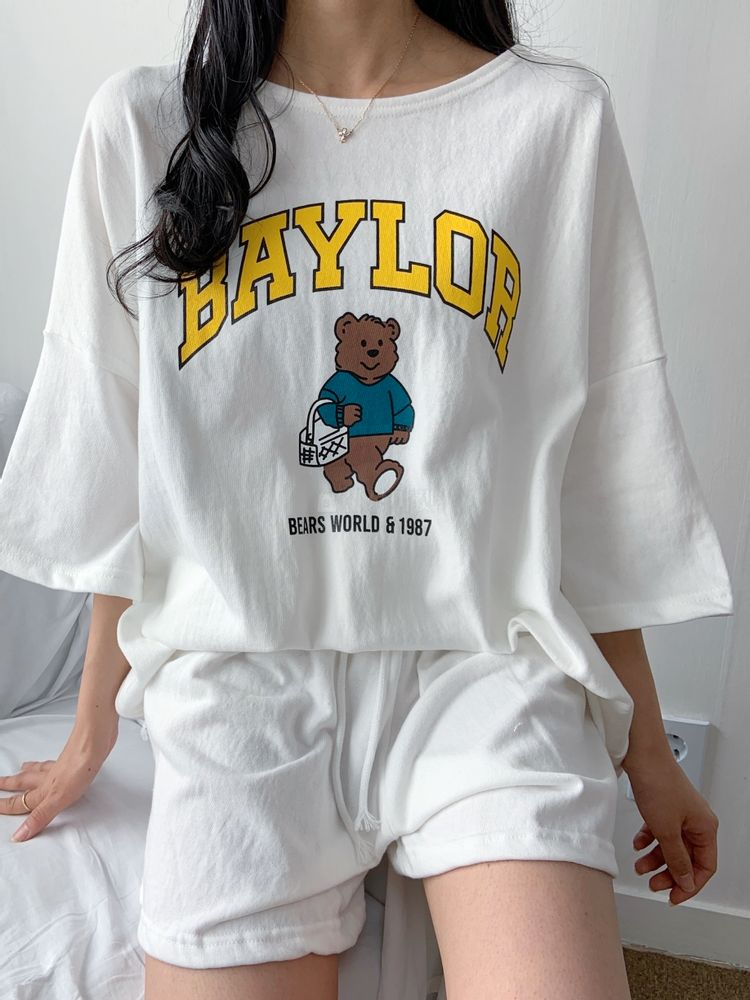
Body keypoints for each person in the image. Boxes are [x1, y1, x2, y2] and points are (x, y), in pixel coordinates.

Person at [0, 1, 735, 998]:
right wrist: (90, 733)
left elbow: (599, 474)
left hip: (487, 674)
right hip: (239, 687)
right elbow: (123, 472)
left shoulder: (553, 123)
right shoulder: (142, 126)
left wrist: (648, 749)